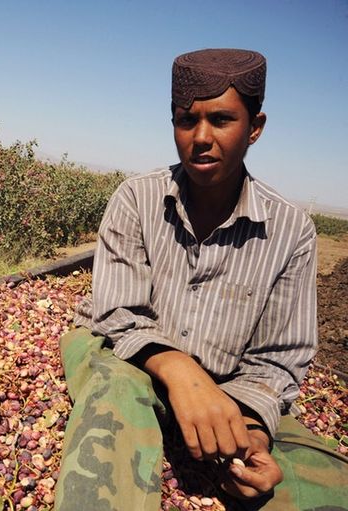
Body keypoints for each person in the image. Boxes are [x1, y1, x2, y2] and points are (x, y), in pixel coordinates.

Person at [56, 49, 348, 510]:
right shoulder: (137, 198)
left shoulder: (292, 231)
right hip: (125, 357)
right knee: (116, 391)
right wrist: (181, 371)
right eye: (186, 120)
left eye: (222, 119)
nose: (200, 137)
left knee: (325, 480)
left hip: (226, 386)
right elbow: (117, 316)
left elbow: (278, 360)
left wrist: (249, 429)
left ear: (255, 127)